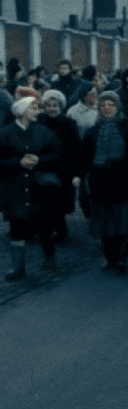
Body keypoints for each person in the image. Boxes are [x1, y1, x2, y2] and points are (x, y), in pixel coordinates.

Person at [77, 92, 128, 274]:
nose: (107, 108)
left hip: (125, 181)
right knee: (104, 224)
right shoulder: (92, 132)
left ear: (117, 108)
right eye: (103, 105)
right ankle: (110, 259)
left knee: (123, 224)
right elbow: (84, 157)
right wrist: (79, 175)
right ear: (99, 109)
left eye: (110, 105)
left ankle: (122, 260)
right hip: (100, 183)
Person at [0, 94, 63, 280]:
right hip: (15, 188)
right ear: (21, 111)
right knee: (17, 227)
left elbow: (58, 154)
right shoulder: (5, 133)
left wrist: (39, 159)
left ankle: (50, 258)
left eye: (37, 108)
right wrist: (17, 162)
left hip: (39, 187)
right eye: (33, 108)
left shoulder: (44, 132)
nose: (37, 112)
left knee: (44, 225)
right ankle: (18, 268)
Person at [38, 90, 82, 243]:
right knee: (44, 200)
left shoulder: (69, 124)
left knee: (59, 202)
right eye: (48, 105)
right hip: (43, 167)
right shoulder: (39, 122)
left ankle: (60, 230)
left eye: (55, 105)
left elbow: (76, 148)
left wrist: (76, 171)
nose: (52, 108)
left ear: (61, 107)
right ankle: (48, 229)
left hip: (63, 168)